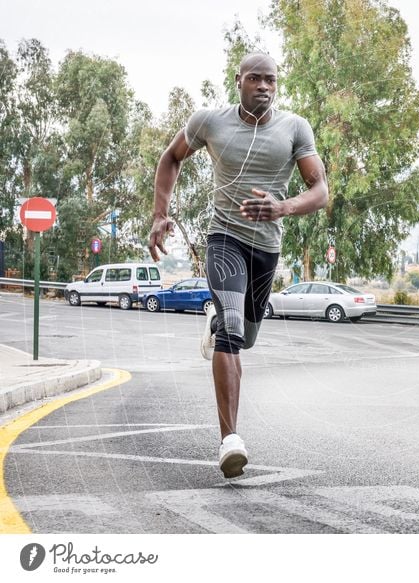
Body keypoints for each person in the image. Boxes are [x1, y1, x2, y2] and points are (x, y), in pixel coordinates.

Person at [148, 52, 328, 478]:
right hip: (224, 239)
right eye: (255, 79)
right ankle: (230, 440)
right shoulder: (208, 121)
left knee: (244, 336)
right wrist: (160, 213)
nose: (264, 86)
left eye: (270, 80)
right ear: (239, 80)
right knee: (231, 329)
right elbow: (170, 158)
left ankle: (219, 319)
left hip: (265, 248)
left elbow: (320, 189)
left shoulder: (294, 128)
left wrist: (282, 208)